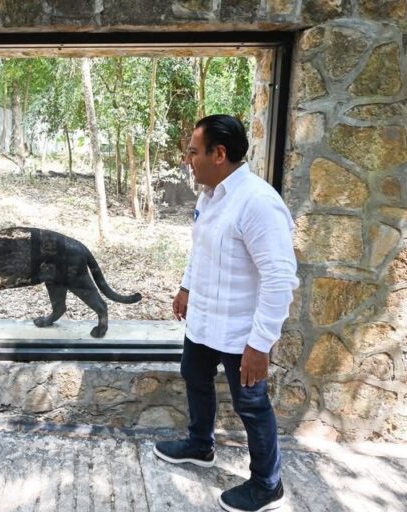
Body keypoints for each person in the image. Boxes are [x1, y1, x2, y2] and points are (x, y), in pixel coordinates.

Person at [153, 115, 299, 512]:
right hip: (204, 318)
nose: (188, 159)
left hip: (241, 332)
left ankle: (268, 484)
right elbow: (202, 249)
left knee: (251, 405)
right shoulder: (210, 196)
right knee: (194, 376)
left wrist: (260, 344)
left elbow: (280, 278)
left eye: (194, 152)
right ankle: (200, 445)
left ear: (219, 154)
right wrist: (186, 287)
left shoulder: (258, 202)